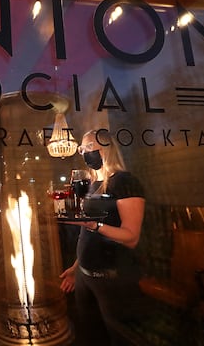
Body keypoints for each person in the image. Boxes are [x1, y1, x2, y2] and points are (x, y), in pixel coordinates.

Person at [59, 129, 145, 345]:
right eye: (82, 149)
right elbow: (87, 234)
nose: (84, 153)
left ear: (105, 148)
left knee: (119, 337)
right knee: (90, 336)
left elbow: (131, 237)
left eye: (89, 147)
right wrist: (76, 267)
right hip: (85, 277)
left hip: (112, 278)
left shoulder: (124, 182)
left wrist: (94, 225)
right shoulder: (94, 184)